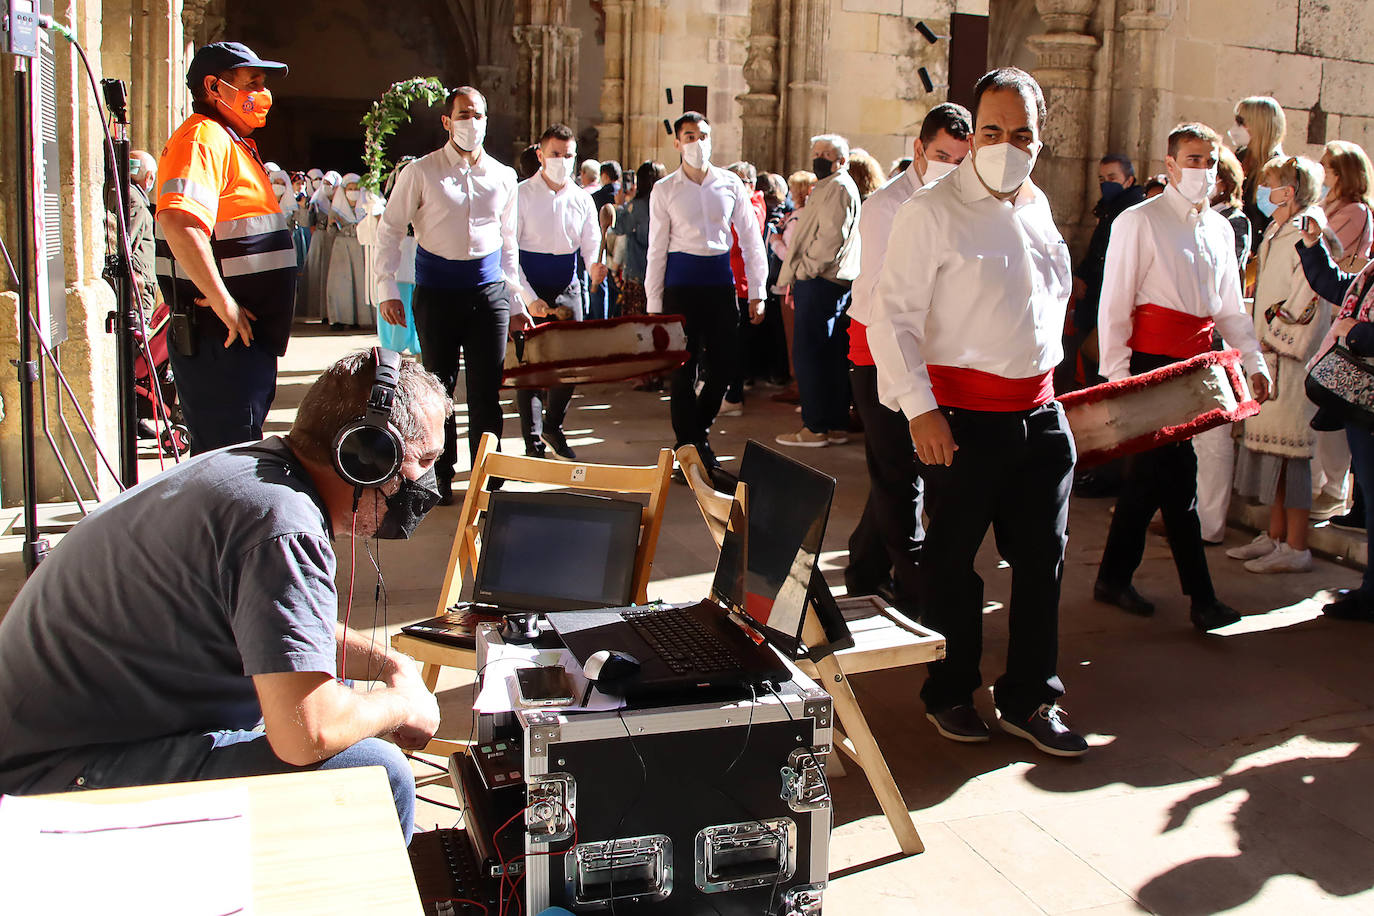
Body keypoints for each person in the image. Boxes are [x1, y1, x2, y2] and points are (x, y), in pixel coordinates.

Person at [0, 350, 449, 844]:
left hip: (57, 745)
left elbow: (280, 623)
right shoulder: (282, 527)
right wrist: (399, 704)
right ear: (366, 454)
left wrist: (390, 665)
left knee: (335, 696)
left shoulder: (255, 475)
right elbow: (308, 734)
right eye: (422, 460)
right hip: (54, 778)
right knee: (373, 772)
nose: (426, 483)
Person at [868, 68, 1085, 757]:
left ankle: (1030, 697)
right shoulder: (931, 211)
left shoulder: (1039, 206)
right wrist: (919, 410)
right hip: (961, 419)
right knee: (954, 566)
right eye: (991, 130)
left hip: (1041, 415)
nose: (1005, 144)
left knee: (1042, 562)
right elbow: (890, 319)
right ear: (972, 134)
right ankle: (950, 691)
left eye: (1021, 133)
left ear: (1039, 139)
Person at [1093, 123, 1271, 629]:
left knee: (1152, 480)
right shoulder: (1138, 221)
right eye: (1192, 159)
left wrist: (1253, 363)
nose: (1202, 170)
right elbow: (1116, 305)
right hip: (1150, 368)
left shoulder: (1219, 228)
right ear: (1170, 164)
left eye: (1209, 161)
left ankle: (1113, 577)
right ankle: (1202, 598)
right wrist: (1118, 381)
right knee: (1176, 481)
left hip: (1196, 369)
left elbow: (1231, 311)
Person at [844, 101, 971, 614]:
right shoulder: (886, 207)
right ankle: (911, 588)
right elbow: (879, 302)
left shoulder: (964, 202)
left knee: (896, 470)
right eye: (942, 155)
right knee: (900, 475)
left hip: (934, 354)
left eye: (961, 160)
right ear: (919, 150)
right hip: (879, 353)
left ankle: (863, 567)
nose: (951, 168)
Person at [375, 86, 526, 505]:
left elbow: (509, 241)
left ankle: (488, 472)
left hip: (488, 292)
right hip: (437, 293)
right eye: (463, 115)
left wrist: (515, 300)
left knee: (486, 389)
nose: (471, 123)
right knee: (438, 388)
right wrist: (386, 287)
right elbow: (389, 229)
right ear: (447, 121)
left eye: (478, 115)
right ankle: (440, 473)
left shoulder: (503, 175)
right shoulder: (421, 172)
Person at [154, 42, 298, 455]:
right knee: (226, 456)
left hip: (239, 339)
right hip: (220, 338)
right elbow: (180, 222)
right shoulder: (202, 138)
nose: (262, 93)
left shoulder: (229, 141)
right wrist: (225, 304)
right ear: (214, 87)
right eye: (252, 82)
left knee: (234, 447)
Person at [1227, 155, 1334, 574]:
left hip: (1291, 362)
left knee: (1294, 457)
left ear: (1289, 190)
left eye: (1271, 185)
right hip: (1268, 357)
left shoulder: (1309, 233)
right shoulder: (1276, 229)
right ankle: (1274, 535)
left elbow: (1309, 299)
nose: (1265, 194)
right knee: (1273, 455)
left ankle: (1297, 544)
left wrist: (1274, 337)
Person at [646, 111, 766, 479]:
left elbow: (750, 239)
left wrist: (757, 291)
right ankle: (691, 448)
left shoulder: (730, 183)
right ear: (677, 142)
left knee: (724, 368)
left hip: (719, 284)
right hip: (680, 288)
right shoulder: (665, 188)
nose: (697, 142)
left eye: (703, 135)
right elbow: (656, 248)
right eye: (689, 135)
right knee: (682, 372)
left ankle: (695, 438)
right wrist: (654, 308)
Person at [1296, 221, 1374, 618]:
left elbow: (1359, 322)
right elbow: (1340, 286)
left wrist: (1359, 333)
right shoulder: (1370, 272)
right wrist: (1312, 246)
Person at [515, 123, 605, 460]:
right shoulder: (521, 194)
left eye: (568, 156)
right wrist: (527, 297)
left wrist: (597, 265)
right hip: (530, 282)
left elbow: (592, 244)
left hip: (568, 285)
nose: (561, 161)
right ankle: (533, 441)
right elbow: (508, 252)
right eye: (555, 154)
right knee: (533, 367)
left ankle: (554, 424)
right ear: (540, 154)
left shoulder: (582, 198)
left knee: (569, 365)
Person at [774, 133, 861, 448]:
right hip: (827, 281)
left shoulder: (837, 188)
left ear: (841, 159)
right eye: (816, 152)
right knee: (829, 353)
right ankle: (834, 424)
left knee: (810, 353)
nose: (819, 157)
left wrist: (804, 270)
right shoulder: (829, 187)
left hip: (821, 280)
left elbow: (829, 239)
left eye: (826, 152)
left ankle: (815, 426)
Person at [1192, 144, 1255, 544]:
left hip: (1215, 343)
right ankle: (1188, 513)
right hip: (1191, 346)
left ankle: (1210, 524)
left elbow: (1223, 289)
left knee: (1214, 438)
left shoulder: (1233, 222)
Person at [1072, 154, 1147, 386]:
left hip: (1108, 304)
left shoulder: (1131, 213)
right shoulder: (1107, 209)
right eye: (1102, 178)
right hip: (1092, 297)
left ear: (1129, 180)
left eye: (1112, 177)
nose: (1106, 183)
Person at [721, 160, 768, 417]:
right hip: (735, 280)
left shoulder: (750, 206)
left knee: (735, 345)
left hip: (740, 282)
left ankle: (733, 395)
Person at [1230, 96, 1286, 253]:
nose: (1235, 128)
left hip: (1258, 251)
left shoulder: (1279, 169)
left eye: (1241, 122)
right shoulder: (1240, 157)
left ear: (1259, 125)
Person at [610, 159, 665, 318]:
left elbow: (619, 227)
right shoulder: (667, 202)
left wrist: (619, 205)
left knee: (637, 328)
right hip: (663, 274)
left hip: (638, 273)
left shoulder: (637, 206)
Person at [325, 173, 379, 330]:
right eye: (350, 188)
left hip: (361, 248)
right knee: (341, 284)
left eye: (356, 188)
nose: (353, 191)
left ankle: (361, 318)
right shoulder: (337, 208)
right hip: (341, 250)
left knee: (361, 282)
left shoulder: (366, 206)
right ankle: (340, 319)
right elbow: (330, 231)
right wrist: (333, 225)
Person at [299, 169, 341, 321]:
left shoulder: (340, 201)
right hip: (319, 239)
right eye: (325, 183)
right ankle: (318, 310)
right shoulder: (316, 202)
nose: (326, 186)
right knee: (319, 272)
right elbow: (310, 223)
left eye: (330, 184)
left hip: (335, 240)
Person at [128, 149, 159, 320]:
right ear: (149, 177)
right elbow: (127, 245)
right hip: (139, 288)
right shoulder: (136, 201)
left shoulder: (126, 194)